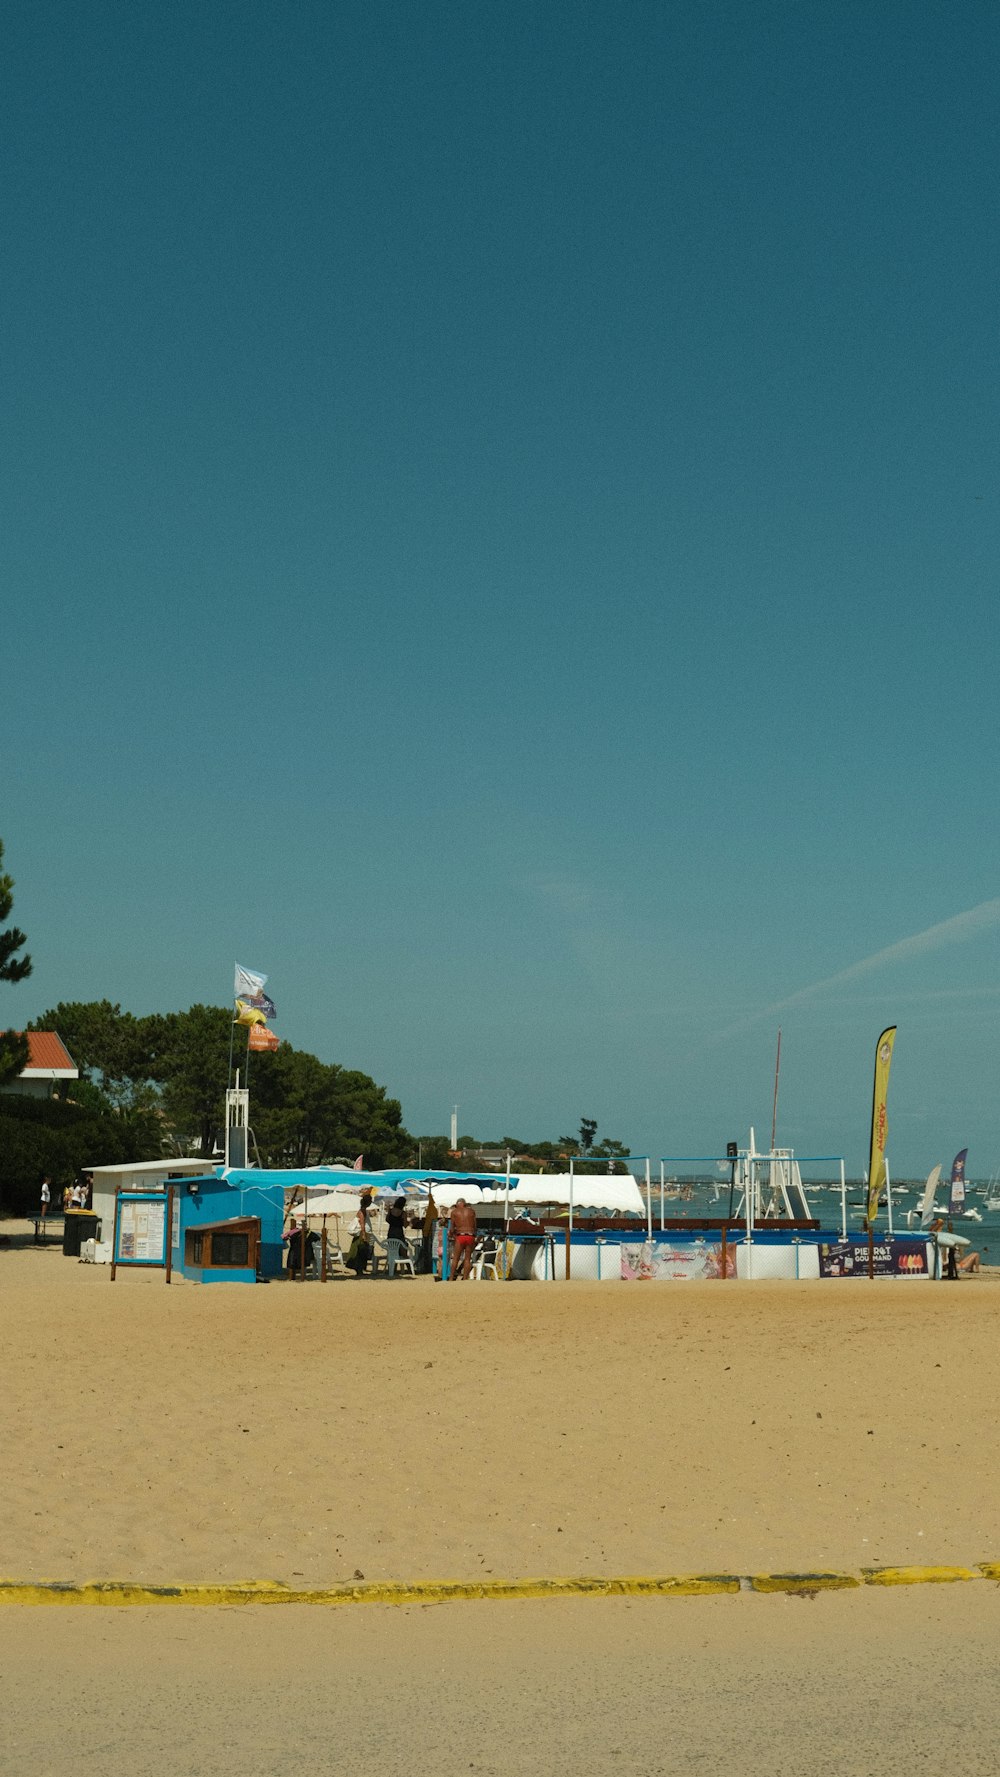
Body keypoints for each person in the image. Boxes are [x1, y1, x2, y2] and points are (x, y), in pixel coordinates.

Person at [449, 1197, 477, 1281]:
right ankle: (465, 1278)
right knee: (467, 1258)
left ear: (457, 1204)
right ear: (464, 1204)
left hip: (460, 1236)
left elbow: (452, 1228)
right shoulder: (472, 1211)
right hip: (470, 1235)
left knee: (456, 1258)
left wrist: (451, 1235)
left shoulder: (454, 1212)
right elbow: (475, 1226)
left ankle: (451, 1278)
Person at [347, 1191, 374, 1276]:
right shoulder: (362, 1211)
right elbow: (362, 1224)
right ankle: (359, 1270)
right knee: (360, 1252)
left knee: (361, 1252)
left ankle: (360, 1270)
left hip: (361, 1235)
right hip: (360, 1235)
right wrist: (364, 1235)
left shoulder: (363, 1210)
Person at [419, 1193, 437, 1274]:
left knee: (427, 1251)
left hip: (429, 1232)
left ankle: (427, 1267)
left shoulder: (432, 1210)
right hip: (429, 1232)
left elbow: (430, 1221)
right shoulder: (433, 1209)